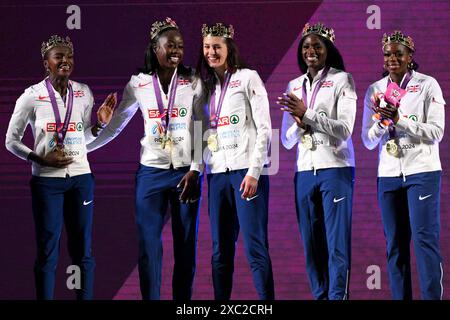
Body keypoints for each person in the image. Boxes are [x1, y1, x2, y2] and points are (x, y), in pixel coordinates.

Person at [86, 17, 205, 300]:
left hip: (184, 174)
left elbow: (203, 125)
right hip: (150, 174)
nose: (176, 50)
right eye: (170, 45)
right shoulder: (138, 83)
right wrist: (84, 146)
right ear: (155, 47)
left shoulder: (193, 81)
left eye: (180, 45)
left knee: (185, 247)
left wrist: (197, 169)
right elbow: (115, 127)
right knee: (149, 248)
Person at [5, 35, 117, 299]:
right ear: (47, 63)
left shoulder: (84, 92)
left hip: (81, 178)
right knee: (48, 251)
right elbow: (11, 141)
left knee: (83, 251)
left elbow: (83, 140)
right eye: (59, 56)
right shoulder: (31, 96)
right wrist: (40, 159)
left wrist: (99, 125)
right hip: (47, 182)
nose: (65, 61)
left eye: (69, 56)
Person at [361, 30, 445, 300]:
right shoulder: (375, 90)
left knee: (424, 242)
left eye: (399, 53)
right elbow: (367, 141)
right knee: (395, 246)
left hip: (422, 172)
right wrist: (383, 123)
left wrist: (400, 119)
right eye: (388, 54)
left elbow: (437, 132)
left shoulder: (427, 84)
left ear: (410, 57)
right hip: (388, 175)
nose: (392, 58)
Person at [279, 23, 357, 300]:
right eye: (306, 47)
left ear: (328, 50)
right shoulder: (294, 85)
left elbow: (345, 129)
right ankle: (320, 296)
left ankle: (338, 297)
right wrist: (299, 125)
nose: (311, 51)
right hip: (304, 171)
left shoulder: (342, 80)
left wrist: (308, 114)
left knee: (336, 244)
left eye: (317, 46)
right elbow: (286, 141)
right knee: (311, 245)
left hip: (335, 168)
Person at [196, 22, 274, 300]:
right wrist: (198, 168)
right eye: (207, 46)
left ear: (229, 47)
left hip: (246, 174)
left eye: (217, 46)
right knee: (220, 250)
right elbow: (201, 131)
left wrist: (254, 172)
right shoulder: (205, 88)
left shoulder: (248, 77)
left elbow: (265, 128)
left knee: (255, 247)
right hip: (217, 175)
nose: (211, 52)